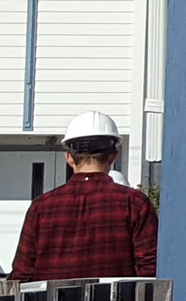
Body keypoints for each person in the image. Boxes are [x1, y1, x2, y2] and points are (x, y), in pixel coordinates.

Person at [10, 110, 159, 282]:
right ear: (112, 156)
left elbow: (22, 274)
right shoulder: (135, 203)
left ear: (69, 157)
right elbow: (150, 268)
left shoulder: (41, 207)